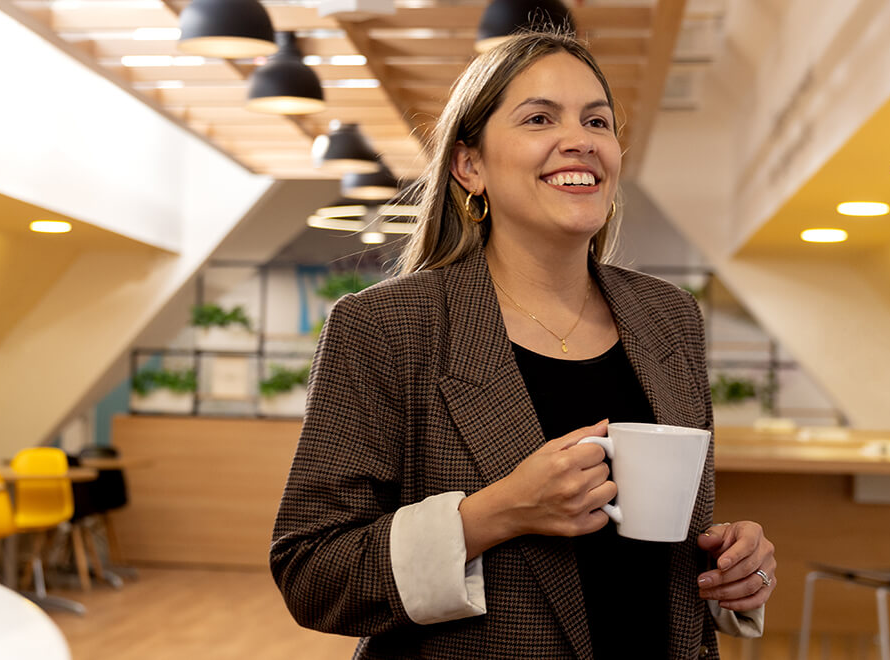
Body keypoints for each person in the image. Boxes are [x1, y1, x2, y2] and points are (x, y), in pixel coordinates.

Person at [271, 31, 776, 659]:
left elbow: (672, 549)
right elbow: (313, 574)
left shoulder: (668, 318)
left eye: (598, 120)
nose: (582, 139)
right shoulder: (388, 327)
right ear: (469, 165)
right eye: (540, 117)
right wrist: (499, 512)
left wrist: (733, 568)